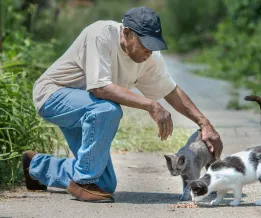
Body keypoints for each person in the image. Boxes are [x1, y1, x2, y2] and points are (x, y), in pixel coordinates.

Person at [22, 6, 223, 203]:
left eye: (153, 45)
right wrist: (150, 105)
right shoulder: (100, 34)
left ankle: (36, 167)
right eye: (144, 44)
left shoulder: (148, 57)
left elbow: (171, 91)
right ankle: (82, 182)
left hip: (87, 110)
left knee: (105, 184)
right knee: (108, 109)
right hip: (53, 95)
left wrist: (204, 124)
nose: (149, 51)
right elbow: (100, 89)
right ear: (126, 33)